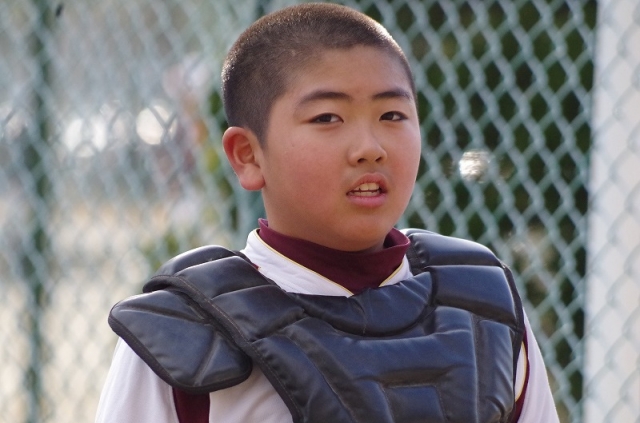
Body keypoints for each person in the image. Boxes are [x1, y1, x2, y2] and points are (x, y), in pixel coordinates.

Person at [96, 3, 559, 423]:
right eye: (327, 118)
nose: (369, 148)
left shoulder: (483, 303)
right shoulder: (184, 333)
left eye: (392, 115)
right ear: (248, 156)